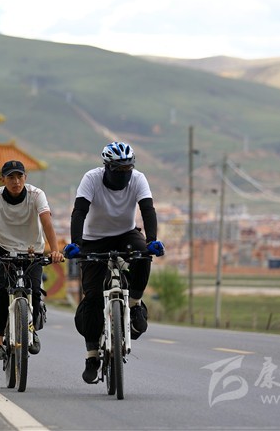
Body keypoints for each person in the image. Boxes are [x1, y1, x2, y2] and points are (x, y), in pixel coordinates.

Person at [63, 141, 165, 384]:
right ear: (107, 167)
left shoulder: (138, 179)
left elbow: (148, 210)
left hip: (126, 234)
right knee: (93, 298)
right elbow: (79, 212)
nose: (124, 173)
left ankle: (135, 302)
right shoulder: (91, 179)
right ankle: (91, 356)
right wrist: (76, 243)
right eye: (118, 169)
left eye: (128, 168)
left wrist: (152, 240)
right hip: (93, 239)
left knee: (143, 255)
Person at [0, 160, 64, 361]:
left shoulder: (37, 195)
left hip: (32, 250)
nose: (16, 181)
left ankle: (32, 331)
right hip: (3, 249)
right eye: (11, 177)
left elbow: (47, 223)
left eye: (19, 176)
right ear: (2, 179)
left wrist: (55, 251)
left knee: (35, 291)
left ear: (26, 177)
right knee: (0, 291)